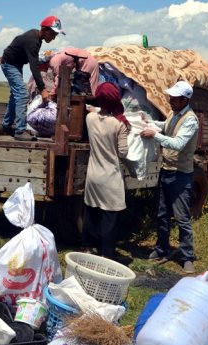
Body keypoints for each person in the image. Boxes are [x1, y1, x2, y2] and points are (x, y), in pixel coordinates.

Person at [140, 80, 198, 273]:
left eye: (174, 97)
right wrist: (149, 122)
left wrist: (153, 135)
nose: (170, 100)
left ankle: (187, 256)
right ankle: (161, 248)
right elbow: (165, 126)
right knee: (162, 213)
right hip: (167, 170)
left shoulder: (190, 120)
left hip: (181, 174)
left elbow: (178, 144)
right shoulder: (175, 114)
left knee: (182, 217)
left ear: (184, 99)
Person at [82, 82, 130, 259]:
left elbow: (94, 111)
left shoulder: (90, 119)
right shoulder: (119, 125)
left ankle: (87, 247)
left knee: (92, 211)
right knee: (110, 216)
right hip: (110, 177)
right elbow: (123, 152)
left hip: (93, 175)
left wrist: (93, 109)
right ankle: (106, 254)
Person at [0, 16, 64, 141]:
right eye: (53, 34)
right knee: (22, 94)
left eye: (56, 35)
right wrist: (43, 89)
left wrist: (7, 54)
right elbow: (34, 67)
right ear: (44, 29)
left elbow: (18, 40)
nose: (54, 37)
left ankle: (6, 125)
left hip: (15, 64)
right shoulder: (33, 41)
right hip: (10, 65)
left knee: (15, 95)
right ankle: (20, 131)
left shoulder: (35, 37)